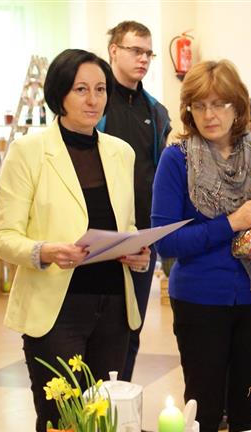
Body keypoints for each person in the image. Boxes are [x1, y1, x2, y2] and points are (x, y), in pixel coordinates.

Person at [0, 49, 149, 432]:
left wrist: (137, 253)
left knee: (106, 426)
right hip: (57, 309)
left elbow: (125, 225)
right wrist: (44, 251)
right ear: (59, 94)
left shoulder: (121, 152)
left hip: (113, 306)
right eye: (81, 89)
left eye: (100, 89)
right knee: (62, 426)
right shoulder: (29, 151)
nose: (93, 99)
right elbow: (2, 236)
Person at [152, 60, 251, 432]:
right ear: (188, 110)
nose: (210, 115)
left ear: (238, 106)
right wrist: (231, 223)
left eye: (220, 104)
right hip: (200, 299)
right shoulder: (177, 159)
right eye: (199, 105)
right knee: (204, 410)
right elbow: (165, 241)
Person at [99, 21, 171, 382]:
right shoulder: (96, 103)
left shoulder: (155, 111)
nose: (143, 59)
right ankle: (93, 408)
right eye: (135, 51)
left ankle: (121, 401)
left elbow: (158, 172)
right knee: (100, 331)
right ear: (114, 50)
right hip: (99, 236)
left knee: (131, 330)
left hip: (142, 236)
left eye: (148, 53)